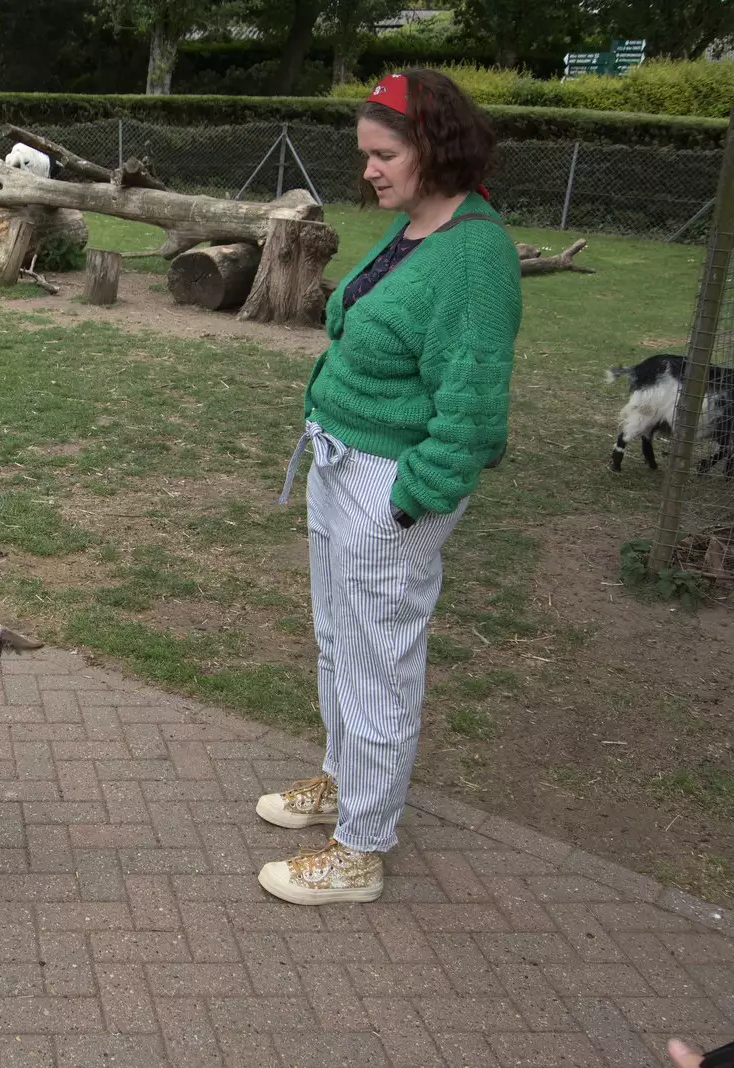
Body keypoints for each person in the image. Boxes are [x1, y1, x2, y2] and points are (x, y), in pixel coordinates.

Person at [256, 69, 522, 905]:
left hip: (390, 485)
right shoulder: (416, 226)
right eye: (364, 155)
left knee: (379, 664)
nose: (367, 170)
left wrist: (414, 498)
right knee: (341, 639)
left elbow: (472, 402)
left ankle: (361, 850)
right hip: (342, 463)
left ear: (433, 147)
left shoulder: (474, 255)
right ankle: (343, 780)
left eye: (383, 154)